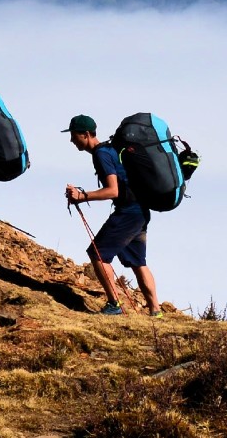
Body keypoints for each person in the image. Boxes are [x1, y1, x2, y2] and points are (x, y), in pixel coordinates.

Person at [64, 114, 160, 316]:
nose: (72, 140)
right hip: (141, 210)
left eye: (74, 135)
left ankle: (114, 304)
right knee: (137, 262)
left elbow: (113, 190)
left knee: (97, 253)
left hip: (128, 212)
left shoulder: (101, 154)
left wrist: (82, 196)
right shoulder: (110, 150)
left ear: (87, 134)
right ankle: (155, 311)